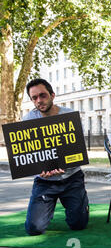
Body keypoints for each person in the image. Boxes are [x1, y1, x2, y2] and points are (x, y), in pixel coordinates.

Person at [23, 78, 89, 236]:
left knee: (78, 224)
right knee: (34, 228)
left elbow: (78, 150)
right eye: (34, 98)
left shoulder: (70, 116)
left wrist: (65, 165)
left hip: (72, 178)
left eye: (43, 95)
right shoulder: (28, 120)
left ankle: (81, 204)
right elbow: (28, 155)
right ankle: (44, 210)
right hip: (44, 182)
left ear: (52, 95)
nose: (39, 100)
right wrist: (39, 171)